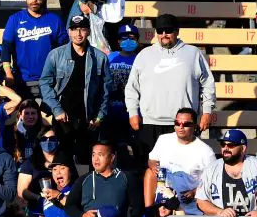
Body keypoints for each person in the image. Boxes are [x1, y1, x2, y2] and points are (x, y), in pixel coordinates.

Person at [124, 13, 216, 156]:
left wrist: (207, 111)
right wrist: (133, 112)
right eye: (160, 31)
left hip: (182, 125)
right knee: (151, 170)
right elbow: (132, 88)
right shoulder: (144, 55)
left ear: (177, 31)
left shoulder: (193, 53)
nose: (164, 34)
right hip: (150, 123)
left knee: (182, 171)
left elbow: (208, 83)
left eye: (168, 30)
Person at [39, 14, 110, 164]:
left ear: (88, 31)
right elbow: (45, 83)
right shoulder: (55, 55)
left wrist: (100, 116)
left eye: (82, 29)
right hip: (63, 119)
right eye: (74, 29)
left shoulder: (100, 58)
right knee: (63, 161)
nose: (78, 34)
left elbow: (106, 90)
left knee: (86, 162)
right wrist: (56, 109)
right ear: (69, 32)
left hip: (88, 120)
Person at [144, 107, 216, 217]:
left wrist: (195, 192)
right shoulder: (164, 139)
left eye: (186, 124)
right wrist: (154, 166)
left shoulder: (206, 152)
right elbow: (152, 159)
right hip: (164, 204)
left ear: (195, 126)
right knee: (150, 173)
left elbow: (212, 182)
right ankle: (150, 216)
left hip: (188, 207)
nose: (180, 127)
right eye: (177, 123)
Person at [1, 0, 68, 98]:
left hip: (49, 78)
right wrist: (8, 73)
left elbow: (64, 49)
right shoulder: (15, 19)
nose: (34, 0)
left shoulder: (55, 19)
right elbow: (6, 48)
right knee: (26, 114)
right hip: (22, 79)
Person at [68, 0, 132, 48]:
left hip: (113, 11)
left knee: (113, 51)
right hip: (87, 8)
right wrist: (81, 1)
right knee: (85, 49)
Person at [104, 22, 139, 153]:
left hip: (130, 109)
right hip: (111, 108)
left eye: (132, 38)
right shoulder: (110, 57)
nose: (128, 41)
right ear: (118, 41)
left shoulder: (140, 59)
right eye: (124, 38)